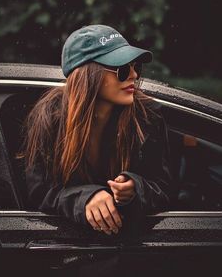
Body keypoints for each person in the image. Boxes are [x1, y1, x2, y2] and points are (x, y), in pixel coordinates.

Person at [23, 24, 174, 237]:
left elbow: (165, 188)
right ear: (88, 76)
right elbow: (38, 191)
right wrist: (84, 198)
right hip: (66, 247)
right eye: (122, 70)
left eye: (135, 67)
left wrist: (135, 188)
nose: (133, 75)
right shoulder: (50, 117)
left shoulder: (147, 117)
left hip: (135, 246)